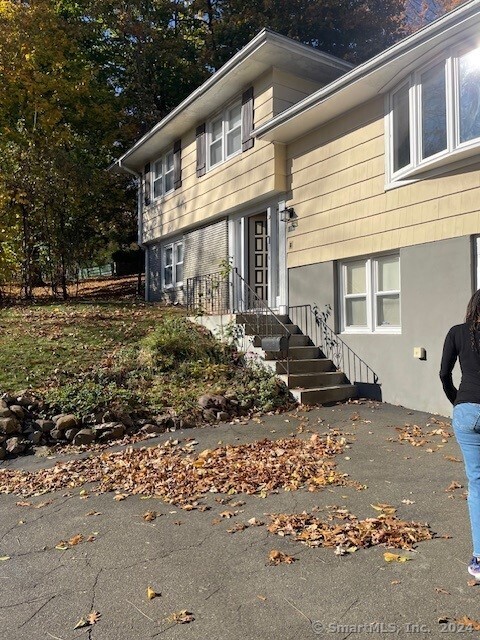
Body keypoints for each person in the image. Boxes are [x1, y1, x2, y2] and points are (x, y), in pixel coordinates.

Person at [440, 289, 480, 580]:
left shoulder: (457, 333)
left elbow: (444, 373)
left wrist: (458, 400)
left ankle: (479, 557)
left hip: (467, 411)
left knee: (477, 483)